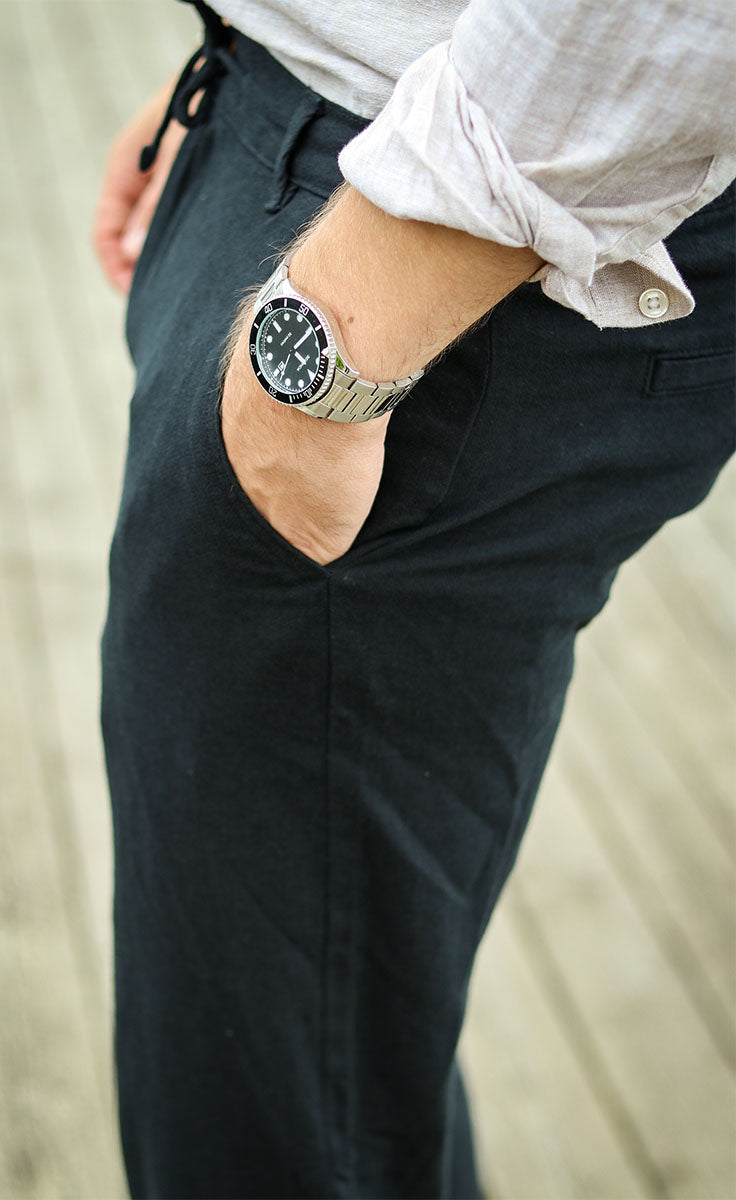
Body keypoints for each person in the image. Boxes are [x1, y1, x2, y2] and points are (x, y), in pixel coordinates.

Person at [93, 1, 735, 1196]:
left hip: (440, 265)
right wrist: (267, 60)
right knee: (300, 1054)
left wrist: (334, 341)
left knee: (277, 1119)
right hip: (356, 154)